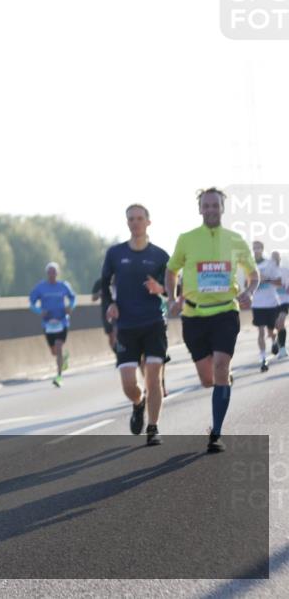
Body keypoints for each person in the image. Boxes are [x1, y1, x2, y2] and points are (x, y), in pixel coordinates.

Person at [165, 187, 258, 453]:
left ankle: (216, 433)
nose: (211, 210)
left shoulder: (236, 240)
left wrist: (248, 292)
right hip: (194, 316)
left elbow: (253, 274)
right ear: (200, 209)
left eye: (215, 205)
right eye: (206, 206)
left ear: (222, 208)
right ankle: (223, 381)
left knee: (220, 367)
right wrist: (172, 298)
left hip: (226, 312)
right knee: (208, 379)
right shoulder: (186, 239)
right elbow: (171, 271)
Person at [100, 204, 169, 445]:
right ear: (127, 222)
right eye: (131, 219)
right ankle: (138, 403)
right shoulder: (115, 254)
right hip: (126, 326)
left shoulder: (160, 256)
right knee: (130, 385)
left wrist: (161, 288)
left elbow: (174, 289)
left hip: (153, 324)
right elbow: (104, 284)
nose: (135, 222)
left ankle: (153, 427)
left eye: (140, 218)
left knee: (153, 378)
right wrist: (110, 304)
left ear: (148, 222)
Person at [29, 262, 76, 387]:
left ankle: (59, 377)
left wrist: (70, 307)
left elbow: (73, 298)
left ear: (57, 273)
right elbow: (32, 302)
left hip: (62, 321)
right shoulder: (40, 287)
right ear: (47, 274)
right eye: (49, 272)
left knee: (59, 346)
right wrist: (39, 311)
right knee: (54, 352)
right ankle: (63, 358)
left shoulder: (63, 286)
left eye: (54, 272)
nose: (52, 275)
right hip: (48, 324)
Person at [250, 241, 283, 372]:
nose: (256, 250)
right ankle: (263, 358)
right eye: (254, 248)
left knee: (271, 331)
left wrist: (266, 279)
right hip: (257, 304)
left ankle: (275, 342)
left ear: (262, 249)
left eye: (258, 248)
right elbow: (247, 282)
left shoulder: (269, 263)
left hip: (271, 302)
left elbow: (279, 282)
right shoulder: (250, 264)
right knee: (261, 331)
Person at [273, 250, 288, 359]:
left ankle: (282, 348)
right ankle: (276, 341)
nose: (275, 259)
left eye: (277, 257)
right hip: (272, 302)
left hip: (285, 300)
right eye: (273, 257)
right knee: (276, 324)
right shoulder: (268, 271)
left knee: (281, 321)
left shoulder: (285, 270)